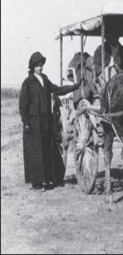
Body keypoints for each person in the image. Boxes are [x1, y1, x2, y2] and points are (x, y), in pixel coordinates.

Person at [19, 52, 81, 190]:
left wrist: (75, 87)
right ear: (32, 67)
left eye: (41, 66)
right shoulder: (28, 83)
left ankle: (53, 179)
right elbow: (23, 106)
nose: (40, 68)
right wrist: (27, 123)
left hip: (46, 124)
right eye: (37, 66)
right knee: (36, 153)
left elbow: (58, 90)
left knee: (48, 150)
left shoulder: (45, 80)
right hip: (34, 126)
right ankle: (37, 183)